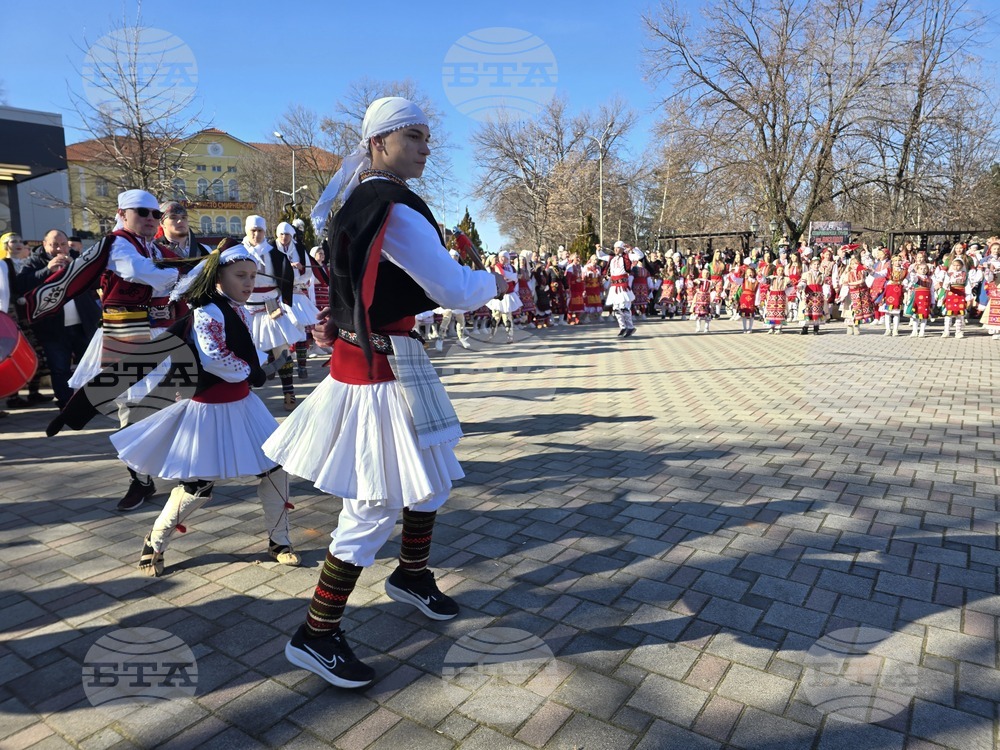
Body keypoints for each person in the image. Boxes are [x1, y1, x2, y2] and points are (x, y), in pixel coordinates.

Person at [263, 96, 507, 689]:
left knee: (433, 474)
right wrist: (495, 279)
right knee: (372, 504)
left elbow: (360, 288)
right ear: (378, 143)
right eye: (414, 136)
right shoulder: (392, 204)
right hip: (379, 371)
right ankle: (316, 633)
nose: (427, 147)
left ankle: (412, 574)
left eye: (426, 136)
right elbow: (452, 288)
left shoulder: (360, 201)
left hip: (391, 357)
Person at [111, 241, 300, 576]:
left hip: (242, 405)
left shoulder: (236, 308)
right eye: (240, 275)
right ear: (217, 278)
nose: (248, 283)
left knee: (275, 469)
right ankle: (155, 541)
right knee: (198, 486)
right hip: (208, 410)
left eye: (253, 276)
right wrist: (253, 371)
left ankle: (279, 540)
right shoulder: (206, 311)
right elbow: (215, 358)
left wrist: (260, 366)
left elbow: (245, 351)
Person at [15, 229, 101, 410]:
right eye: (54, 244)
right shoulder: (34, 262)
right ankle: (66, 404)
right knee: (59, 367)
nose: (59, 249)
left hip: (83, 323)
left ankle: (91, 402)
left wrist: (77, 269)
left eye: (63, 244)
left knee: (89, 365)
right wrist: (47, 270)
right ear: (44, 244)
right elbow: (21, 284)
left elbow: (98, 282)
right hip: (52, 327)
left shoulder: (79, 258)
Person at [241, 215, 304, 411]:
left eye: (260, 230)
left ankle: (289, 394)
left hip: (271, 307)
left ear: (265, 231)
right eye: (252, 230)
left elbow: (287, 280)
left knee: (282, 351)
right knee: (245, 353)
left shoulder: (275, 254)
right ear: (246, 230)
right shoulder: (237, 252)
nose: (256, 234)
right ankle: (246, 396)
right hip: (246, 308)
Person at [0, 232, 51, 411]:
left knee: (36, 353)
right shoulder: (3, 265)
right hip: (13, 317)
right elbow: (5, 293)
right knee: (13, 354)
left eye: (20, 241)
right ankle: (13, 397)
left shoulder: (28, 263)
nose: (18, 244)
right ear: (5, 245)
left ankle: (33, 392)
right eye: (13, 241)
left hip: (31, 315)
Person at [275, 221, 320, 379]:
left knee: (300, 329)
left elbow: (308, 273)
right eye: (281, 234)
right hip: (277, 294)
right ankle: (278, 365)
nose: (284, 237)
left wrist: (300, 268)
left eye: (287, 234)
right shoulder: (271, 248)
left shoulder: (299, 249)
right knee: (278, 331)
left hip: (296, 293)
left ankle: (302, 366)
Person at [597, 241, 636, 336]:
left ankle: (630, 327)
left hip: (623, 286)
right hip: (614, 287)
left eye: (618, 248)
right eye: (614, 247)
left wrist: (632, 249)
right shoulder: (611, 258)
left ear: (622, 248)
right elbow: (600, 256)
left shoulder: (627, 257)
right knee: (616, 308)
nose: (615, 249)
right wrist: (598, 250)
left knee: (624, 307)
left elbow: (640, 255)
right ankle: (622, 327)